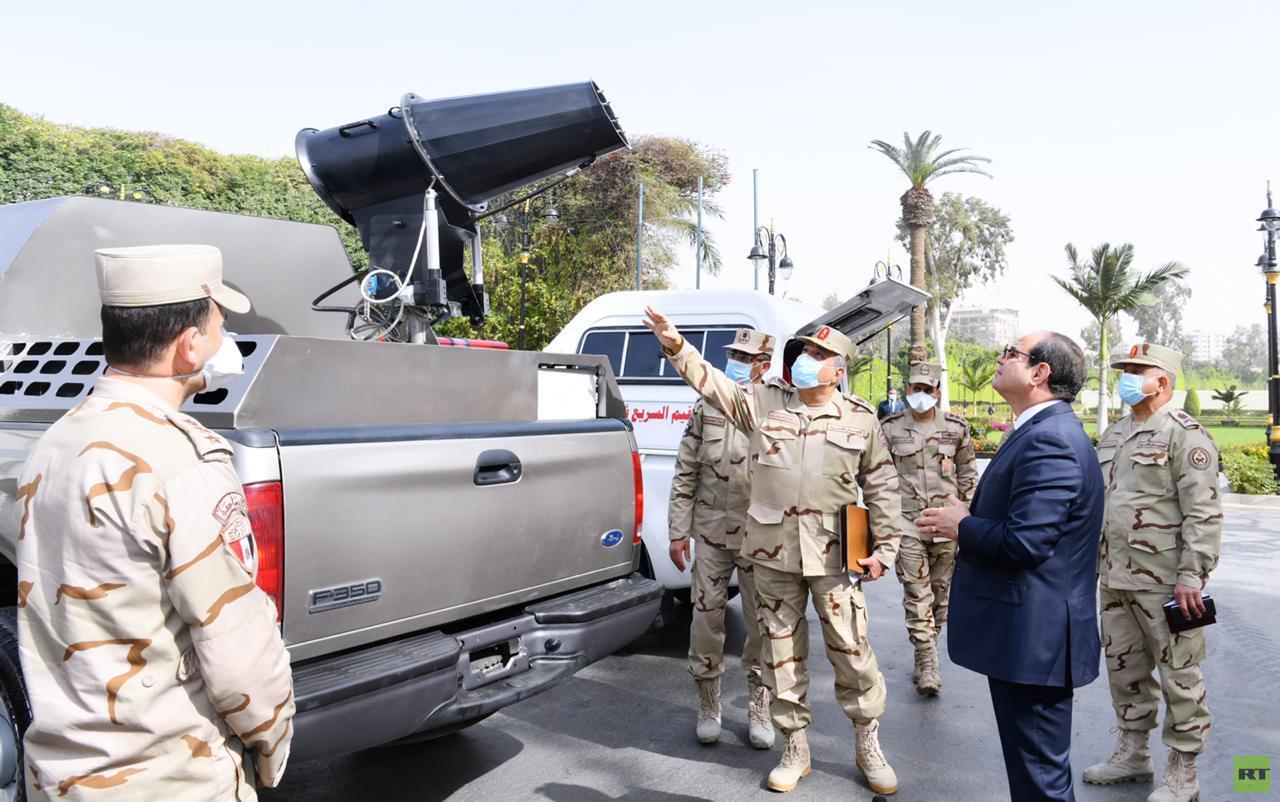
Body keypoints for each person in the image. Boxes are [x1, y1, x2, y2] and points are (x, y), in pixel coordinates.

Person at [14, 245, 295, 801]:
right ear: (190, 346)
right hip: (168, 776)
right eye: (219, 326)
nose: (223, 340)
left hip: (65, 777)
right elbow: (236, 650)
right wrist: (272, 746)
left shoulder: (55, 441)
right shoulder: (181, 462)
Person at [645, 308, 903, 796]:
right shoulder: (763, 405)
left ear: (838, 370)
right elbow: (712, 384)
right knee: (781, 654)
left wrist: (885, 548)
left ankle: (868, 744)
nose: (808, 358)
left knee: (852, 652)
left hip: (835, 555)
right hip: (772, 555)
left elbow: (883, 486)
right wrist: (677, 345)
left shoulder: (861, 418)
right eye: (806, 350)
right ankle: (795, 749)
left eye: (820, 354)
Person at [916, 332, 1101, 802]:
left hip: (1036, 643)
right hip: (1030, 639)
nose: (999, 358)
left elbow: (1027, 542)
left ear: (1040, 373)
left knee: (1040, 780)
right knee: (1033, 773)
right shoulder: (1040, 429)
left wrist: (963, 526)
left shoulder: (1051, 439)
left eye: (1011, 353)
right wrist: (971, 517)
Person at [1082, 343, 1221, 802]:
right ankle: (1134, 753)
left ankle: (1184, 771)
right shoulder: (1114, 434)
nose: (1126, 377)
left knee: (1180, 674)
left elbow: (1203, 512)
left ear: (1161, 381)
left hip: (1167, 583)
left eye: (1136, 370)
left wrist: (1192, 576)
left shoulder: (1186, 435)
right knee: (1125, 668)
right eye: (1124, 369)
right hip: (1115, 576)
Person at [668, 328, 777, 750]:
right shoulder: (706, 405)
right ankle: (709, 702)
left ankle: (759, 704)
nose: (736, 363)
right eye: (735, 355)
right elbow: (686, 470)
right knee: (705, 620)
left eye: (745, 358)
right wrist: (678, 531)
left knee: (762, 625)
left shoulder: (778, 408)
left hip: (759, 538)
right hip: (712, 533)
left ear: (764, 365)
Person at [880, 361, 977, 695]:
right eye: (915, 388)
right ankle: (927, 659)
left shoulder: (956, 428)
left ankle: (927, 649)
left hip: (947, 526)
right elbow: (877, 475)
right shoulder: (889, 428)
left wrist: (969, 519)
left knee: (940, 596)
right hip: (906, 524)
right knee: (916, 593)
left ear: (937, 392)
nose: (919, 394)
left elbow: (968, 474)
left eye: (926, 389)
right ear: (908, 390)